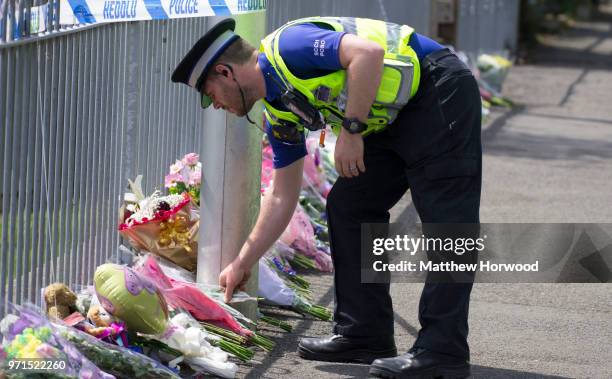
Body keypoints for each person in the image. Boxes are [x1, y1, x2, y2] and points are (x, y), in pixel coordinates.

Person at [172, 16, 481, 379]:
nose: (218, 105)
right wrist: (243, 262)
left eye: (212, 95)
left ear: (225, 73)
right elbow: (281, 196)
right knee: (351, 205)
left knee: (447, 223)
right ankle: (365, 333)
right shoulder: (280, 109)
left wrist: (351, 130)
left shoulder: (289, 47)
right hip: (392, 118)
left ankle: (443, 350)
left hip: (438, 91)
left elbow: (368, 53)